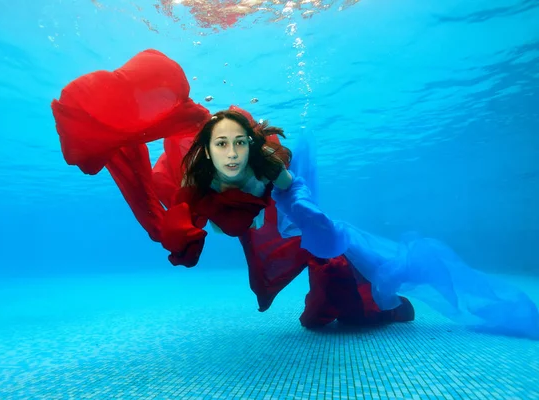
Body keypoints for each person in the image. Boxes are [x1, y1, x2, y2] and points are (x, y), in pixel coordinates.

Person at [51, 49, 539, 338]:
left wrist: (302, 212)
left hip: (287, 225)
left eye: (237, 145)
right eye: (221, 147)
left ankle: (380, 305)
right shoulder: (196, 177)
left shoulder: (268, 166)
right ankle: (364, 300)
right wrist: (184, 233)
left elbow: (299, 206)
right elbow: (179, 223)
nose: (231, 156)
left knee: (341, 279)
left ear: (249, 145)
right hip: (254, 224)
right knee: (325, 289)